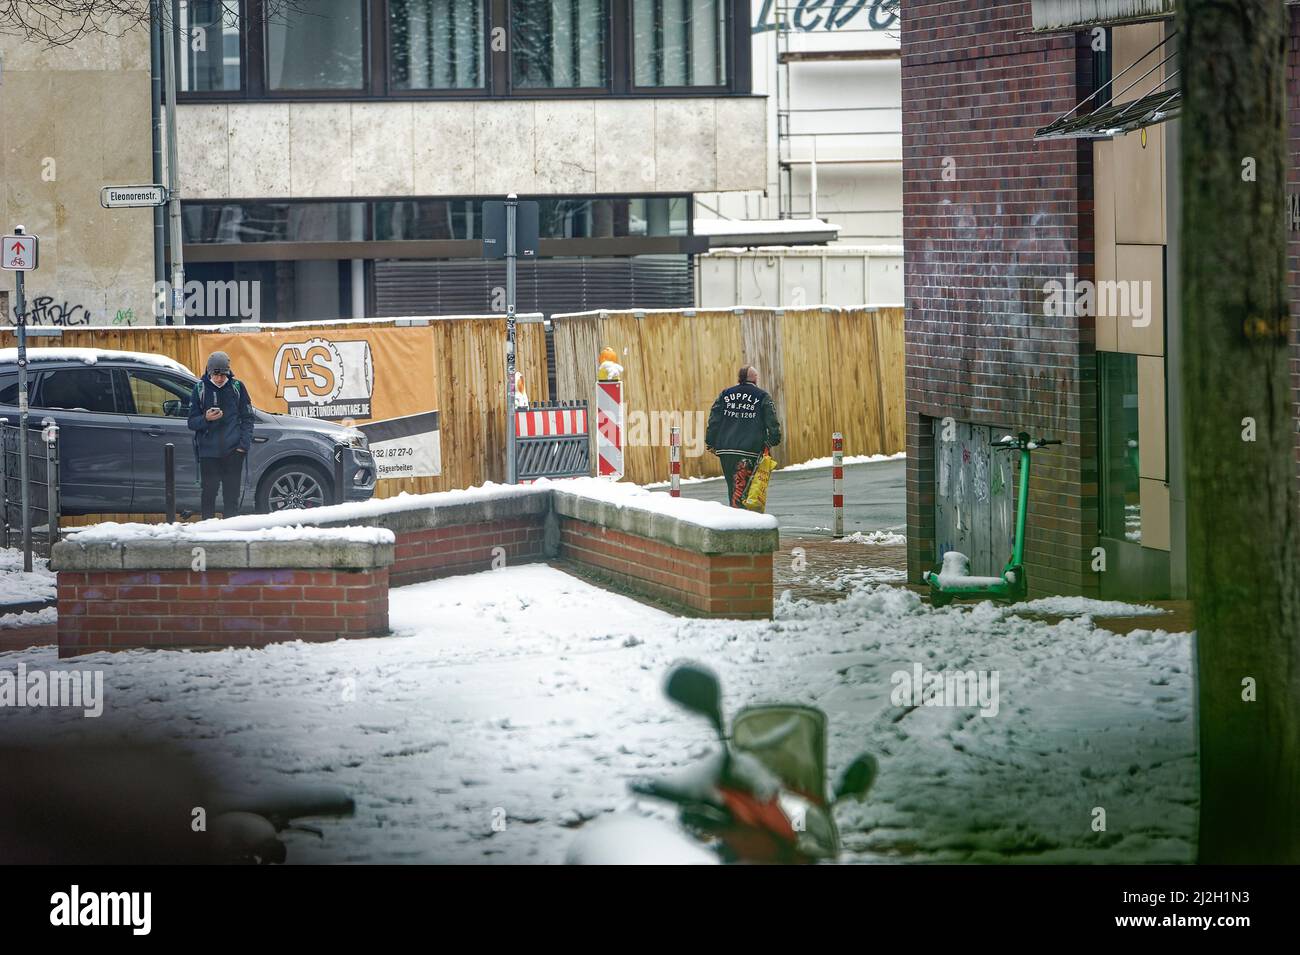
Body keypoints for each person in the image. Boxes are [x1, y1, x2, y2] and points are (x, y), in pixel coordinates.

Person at [187, 351, 254, 520]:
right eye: (215, 375)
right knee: (208, 494)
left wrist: (243, 447)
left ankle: (231, 530)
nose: (219, 379)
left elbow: (247, 418)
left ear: (228, 372)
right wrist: (205, 418)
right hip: (208, 453)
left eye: (223, 374)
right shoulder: (199, 389)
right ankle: (208, 530)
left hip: (233, 452)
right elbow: (191, 422)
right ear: (209, 372)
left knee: (231, 497)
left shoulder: (237, 387)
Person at [705, 364, 782, 507]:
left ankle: (737, 517)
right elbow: (772, 422)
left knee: (733, 488)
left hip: (726, 450)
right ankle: (744, 520)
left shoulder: (725, 394)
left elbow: (714, 420)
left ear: (739, 378)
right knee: (745, 488)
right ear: (755, 378)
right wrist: (771, 441)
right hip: (749, 450)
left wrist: (710, 442)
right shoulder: (762, 396)